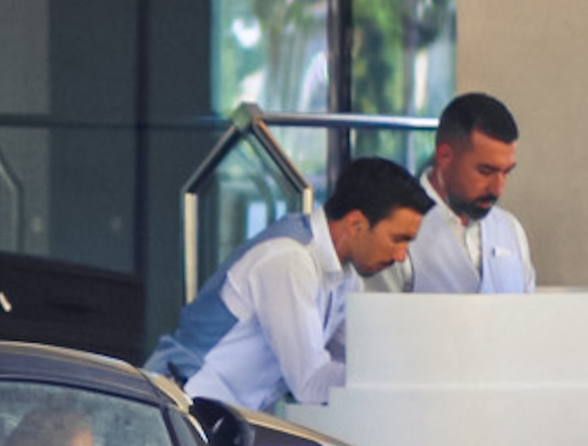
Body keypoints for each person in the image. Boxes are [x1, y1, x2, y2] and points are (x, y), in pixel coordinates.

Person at [146, 157, 430, 409]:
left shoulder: (347, 273)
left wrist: (402, 367)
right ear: (356, 224)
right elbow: (310, 383)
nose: (401, 255)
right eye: (398, 239)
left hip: (223, 417)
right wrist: (392, 377)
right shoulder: (289, 260)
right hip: (178, 405)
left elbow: (352, 355)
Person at [400, 91, 534, 294]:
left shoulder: (511, 231)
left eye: (506, 172)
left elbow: (529, 316)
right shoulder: (395, 230)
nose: (497, 188)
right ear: (445, 156)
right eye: (485, 171)